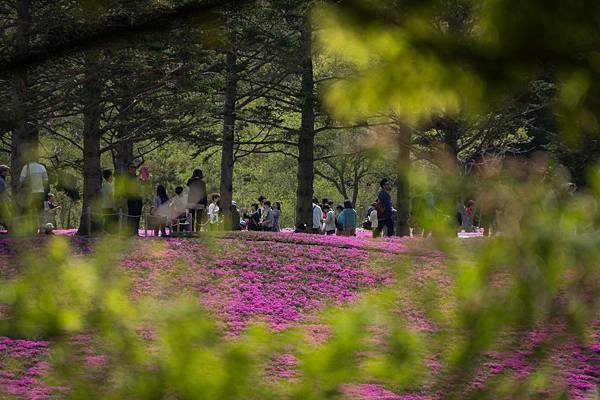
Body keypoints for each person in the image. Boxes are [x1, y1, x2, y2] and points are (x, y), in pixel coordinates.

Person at [19, 157, 48, 232]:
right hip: (40, 192)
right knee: (40, 211)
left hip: (30, 193)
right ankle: (42, 230)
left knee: (29, 211)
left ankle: (31, 229)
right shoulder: (42, 167)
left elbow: (21, 180)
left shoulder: (26, 167)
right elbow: (45, 180)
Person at [124, 162, 143, 236]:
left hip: (139, 198)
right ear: (129, 169)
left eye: (135, 167)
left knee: (138, 215)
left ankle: (135, 232)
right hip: (131, 199)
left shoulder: (137, 177)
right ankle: (130, 232)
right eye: (132, 167)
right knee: (132, 215)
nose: (134, 169)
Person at [101, 169, 117, 233]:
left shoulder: (102, 184)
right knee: (111, 221)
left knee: (106, 220)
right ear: (109, 176)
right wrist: (114, 206)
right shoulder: (108, 186)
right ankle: (109, 233)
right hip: (109, 206)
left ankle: (106, 233)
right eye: (112, 176)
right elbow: (111, 197)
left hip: (103, 206)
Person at [0, 165, 11, 230]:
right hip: (2, 202)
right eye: (6, 171)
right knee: (6, 216)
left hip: (3, 201)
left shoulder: (2, 180)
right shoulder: (0, 180)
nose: (7, 173)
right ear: (2, 172)